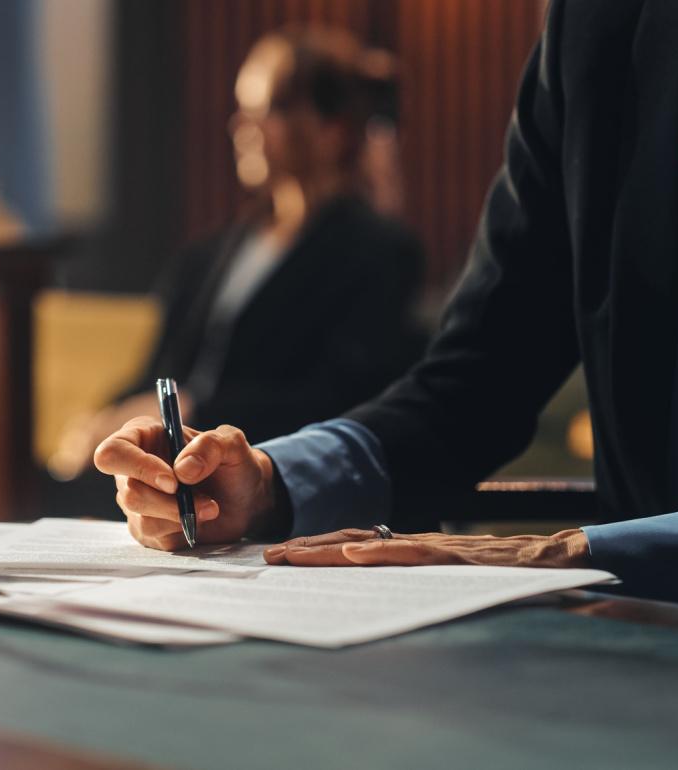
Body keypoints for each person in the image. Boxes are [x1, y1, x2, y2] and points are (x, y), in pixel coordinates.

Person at [94, 0, 678, 628]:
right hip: (641, 650)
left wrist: (569, 554)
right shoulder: (598, 27)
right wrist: (269, 483)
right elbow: (477, 375)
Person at [48, 27, 424, 487]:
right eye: (244, 109)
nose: (242, 126)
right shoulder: (208, 255)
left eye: (270, 110)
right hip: (168, 464)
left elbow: (341, 398)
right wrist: (103, 420)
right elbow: (157, 372)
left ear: (334, 128)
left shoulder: (379, 253)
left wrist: (196, 409)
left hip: (263, 474)